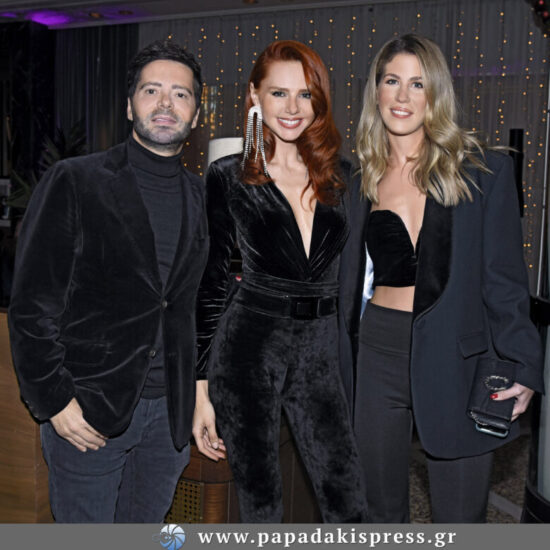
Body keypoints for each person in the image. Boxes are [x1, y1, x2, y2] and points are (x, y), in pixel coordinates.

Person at [339, 33, 544, 523]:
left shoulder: (482, 172)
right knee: (378, 510)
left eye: (417, 83)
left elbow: (505, 283)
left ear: (435, 94)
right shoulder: (357, 180)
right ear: (376, 91)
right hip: (377, 353)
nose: (403, 96)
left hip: (459, 356)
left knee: (460, 517)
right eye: (392, 81)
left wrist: (523, 364)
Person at [8, 40, 208, 523]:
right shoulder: (75, 180)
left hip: (168, 422)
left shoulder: (203, 197)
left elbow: (199, 309)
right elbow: (32, 306)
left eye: (181, 94)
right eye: (151, 90)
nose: (166, 103)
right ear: (129, 106)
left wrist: (199, 397)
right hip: (89, 413)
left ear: (197, 114)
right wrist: (55, 402)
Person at [192, 40, 367, 523]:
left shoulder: (343, 176)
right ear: (254, 95)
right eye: (278, 93)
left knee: (347, 500)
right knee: (261, 504)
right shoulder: (228, 176)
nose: (292, 108)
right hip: (248, 349)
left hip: (321, 349)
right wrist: (200, 388)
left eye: (305, 94)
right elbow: (212, 282)